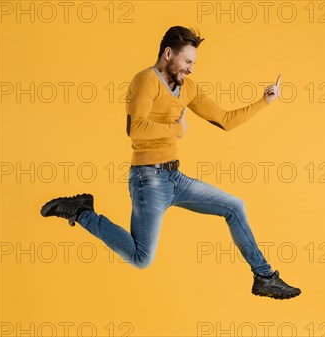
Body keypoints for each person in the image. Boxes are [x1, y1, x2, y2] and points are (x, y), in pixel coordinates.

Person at [40, 26, 301, 300]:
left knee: (234, 207)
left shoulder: (188, 88)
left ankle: (264, 277)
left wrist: (264, 101)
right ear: (168, 54)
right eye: (187, 61)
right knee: (141, 258)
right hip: (148, 180)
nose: (190, 69)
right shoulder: (145, 81)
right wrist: (176, 130)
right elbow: (136, 128)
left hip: (176, 179)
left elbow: (225, 120)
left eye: (193, 63)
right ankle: (82, 212)